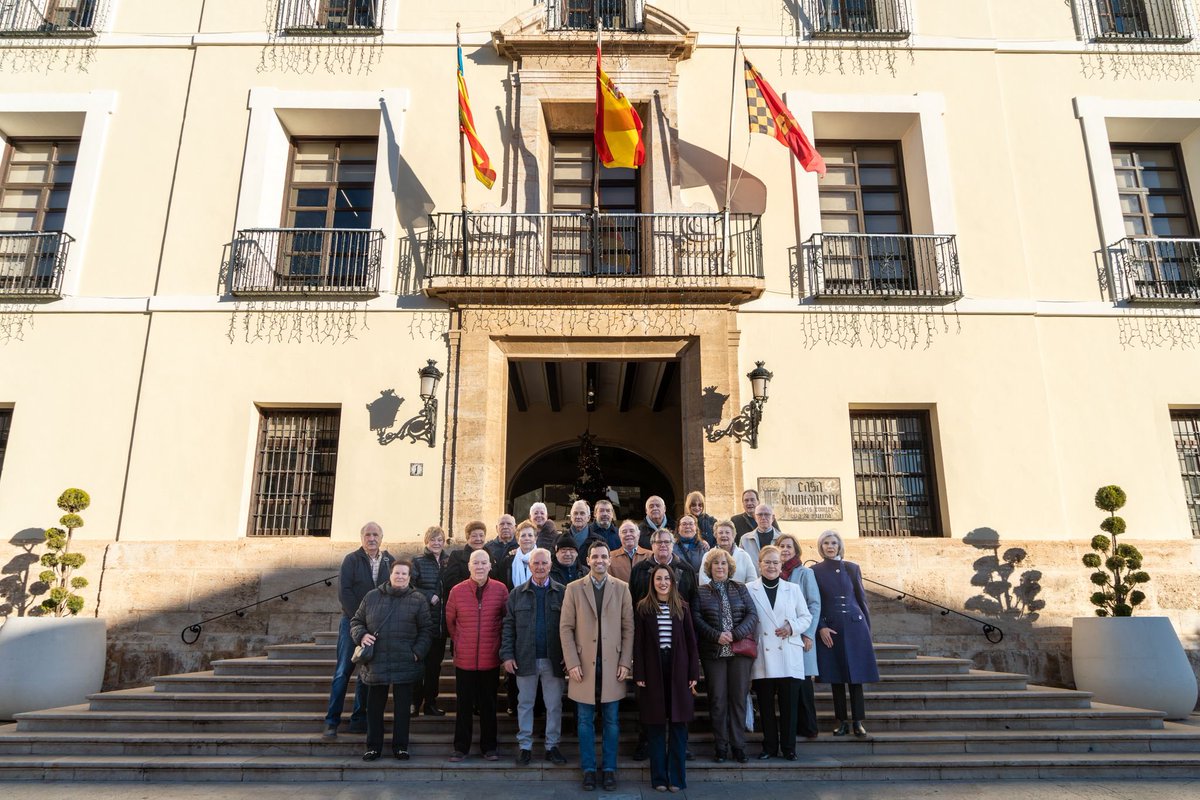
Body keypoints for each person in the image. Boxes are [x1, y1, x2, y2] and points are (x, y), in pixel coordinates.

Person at [560, 543, 633, 792]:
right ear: (588, 560)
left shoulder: (622, 588)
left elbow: (628, 628)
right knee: (584, 720)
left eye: (604, 556)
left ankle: (609, 769)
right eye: (595, 557)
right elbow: (566, 628)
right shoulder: (573, 589)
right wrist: (571, 662)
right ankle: (589, 770)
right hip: (583, 665)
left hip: (613, 665)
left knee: (612, 720)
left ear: (609, 560)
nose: (600, 560)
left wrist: (625, 661)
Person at [350, 559, 433, 761]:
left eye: (404, 574)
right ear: (390, 574)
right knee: (374, 708)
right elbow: (356, 621)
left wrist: (417, 653)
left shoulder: (418, 599)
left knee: (402, 709)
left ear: (409, 577)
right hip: (376, 661)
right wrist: (361, 635)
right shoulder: (371, 596)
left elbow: (426, 630)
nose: (400, 576)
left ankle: (400, 747)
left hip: (405, 661)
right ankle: (373, 747)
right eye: (397, 573)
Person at [633, 564, 700, 793]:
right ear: (652, 583)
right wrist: (639, 673)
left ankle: (677, 778)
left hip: (678, 668)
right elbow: (639, 643)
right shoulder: (643, 608)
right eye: (658, 579)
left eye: (666, 579)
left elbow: (691, 642)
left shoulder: (682, 607)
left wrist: (693, 673)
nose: (662, 583)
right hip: (653, 668)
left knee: (679, 725)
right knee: (656, 726)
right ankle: (659, 778)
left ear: (672, 582)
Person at [324, 522, 394, 738]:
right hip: (351, 622)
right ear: (362, 537)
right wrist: (360, 619)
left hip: (376, 627)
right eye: (367, 535)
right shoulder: (351, 560)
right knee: (343, 671)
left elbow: (393, 591)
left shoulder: (389, 561)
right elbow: (344, 592)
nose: (372, 538)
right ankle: (331, 721)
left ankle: (359, 719)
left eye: (375, 535)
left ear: (381, 538)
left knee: (366, 674)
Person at [500, 547, 568, 767]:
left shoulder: (563, 592)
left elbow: (572, 627)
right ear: (529, 566)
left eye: (544, 563)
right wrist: (507, 655)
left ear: (551, 565)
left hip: (554, 659)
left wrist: (570, 656)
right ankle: (525, 747)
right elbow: (508, 626)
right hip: (525, 658)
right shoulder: (516, 594)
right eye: (535, 563)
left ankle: (552, 746)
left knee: (554, 705)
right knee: (525, 704)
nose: (540, 567)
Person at [746, 545, 813, 761]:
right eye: (767, 562)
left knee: (789, 707)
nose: (771, 566)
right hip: (763, 655)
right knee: (766, 707)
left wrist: (791, 627)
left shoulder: (792, 589)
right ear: (759, 564)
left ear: (781, 565)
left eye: (775, 562)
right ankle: (769, 747)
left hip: (788, 653)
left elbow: (806, 617)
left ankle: (789, 747)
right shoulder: (749, 589)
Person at [692, 547, 758, 763]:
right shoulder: (701, 591)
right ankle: (721, 746)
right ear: (709, 567)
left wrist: (736, 635)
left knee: (738, 699)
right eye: (716, 563)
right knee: (718, 700)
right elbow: (696, 618)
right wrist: (716, 635)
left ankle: (738, 746)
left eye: (723, 563)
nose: (720, 567)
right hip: (714, 653)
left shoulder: (740, 588)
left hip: (740, 653)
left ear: (729, 567)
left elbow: (752, 614)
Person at [811, 530, 880, 738]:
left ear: (839, 546)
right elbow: (814, 602)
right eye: (826, 543)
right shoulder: (814, 571)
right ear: (821, 547)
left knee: (856, 676)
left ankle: (858, 721)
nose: (830, 546)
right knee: (837, 676)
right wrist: (821, 626)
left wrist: (867, 630)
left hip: (855, 626)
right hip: (831, 628)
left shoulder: (852, 568)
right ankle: (841, 721)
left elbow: (861, 599)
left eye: (833, 543)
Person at [445, 549, 509, 761]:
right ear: (469, 566)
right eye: (476, 563)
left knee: (489, 705)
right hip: (464, 659)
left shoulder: (501, 590)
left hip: (490, 659)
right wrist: (460, 641)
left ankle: (489, 747)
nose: (479, 566)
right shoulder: (457, 591)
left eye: (483, 563)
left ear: (490, 566)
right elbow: (451, 622)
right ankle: (460, 747)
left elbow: (506, 620)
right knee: (463, 705)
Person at [777, 533, 821, 740]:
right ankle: (793, 726)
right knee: (789, 683)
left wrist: (808, 634)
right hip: (781, 636)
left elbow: (814, 604)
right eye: (781, 546)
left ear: (796, 550)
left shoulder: (805, 573)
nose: (785, 550)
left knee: (803, 683)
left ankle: (809, 726)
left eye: (789, 546)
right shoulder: (774, 572)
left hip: (801, 634)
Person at [409, 525, 450, 717]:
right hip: (421, 625)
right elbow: (409, 586)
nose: (436, 543)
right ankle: (414, 703)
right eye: (433, 539)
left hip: (440, 625)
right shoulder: (417, 561)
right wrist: (428, 595)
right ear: (426, 541)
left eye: (440, 540)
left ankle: (430, 703)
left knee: (434, 667)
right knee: (418, 665)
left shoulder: (449, 562)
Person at [632, 529, 699, 607]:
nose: (663, 545)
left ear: (672, 545)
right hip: (646, 613)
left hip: (680, 614)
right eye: (659, 542)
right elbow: (633, 599)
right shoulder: (639, 570)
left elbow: (694, 599)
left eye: (667, 542)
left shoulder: (686, 569)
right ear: (652, 545)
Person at [700, 520, 757, 586]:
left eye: (727, 532)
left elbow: (752, 581)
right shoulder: (707, 556)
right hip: (712, 592)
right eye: (720, 533)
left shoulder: (744, 556)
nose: (724, 535)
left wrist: (740, 591)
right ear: (716, 536)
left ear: (733, 536)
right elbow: (703, 581)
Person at [443, 520, 496, 591]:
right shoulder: (456, 556)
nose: (478, 539)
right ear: (467, 538)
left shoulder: (491, 556)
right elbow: (451, 581)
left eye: (481, 535)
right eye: (474, 536)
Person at [496, 519, 538, 590]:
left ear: (535, 539)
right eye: (523, 535)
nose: (527, 538)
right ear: (518, 539)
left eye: (530, 535)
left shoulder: (543, 559)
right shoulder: (508, 560)